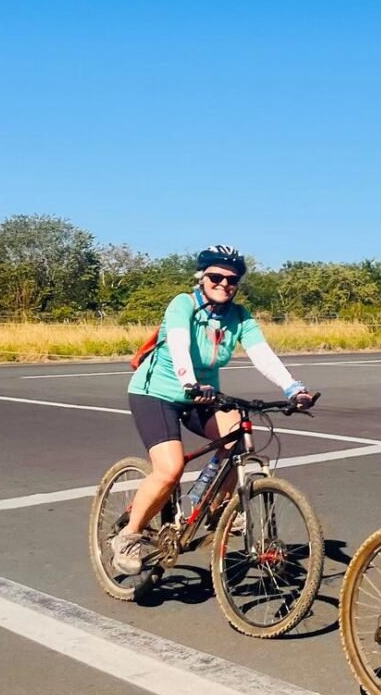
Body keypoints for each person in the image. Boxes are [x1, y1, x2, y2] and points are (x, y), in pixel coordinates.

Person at [111, 245, 317, 576]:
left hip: (201, 396)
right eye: (216, 276)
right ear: (202, 277)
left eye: (232, 279)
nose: (224, 283)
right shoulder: (184, 304)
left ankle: (214, 505)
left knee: (238, 437)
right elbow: (179, 345)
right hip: (157, 392)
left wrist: (293, 388)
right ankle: (129, 534)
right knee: (170, 468)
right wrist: (189, 382)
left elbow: (261, 354)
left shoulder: (240, 316)